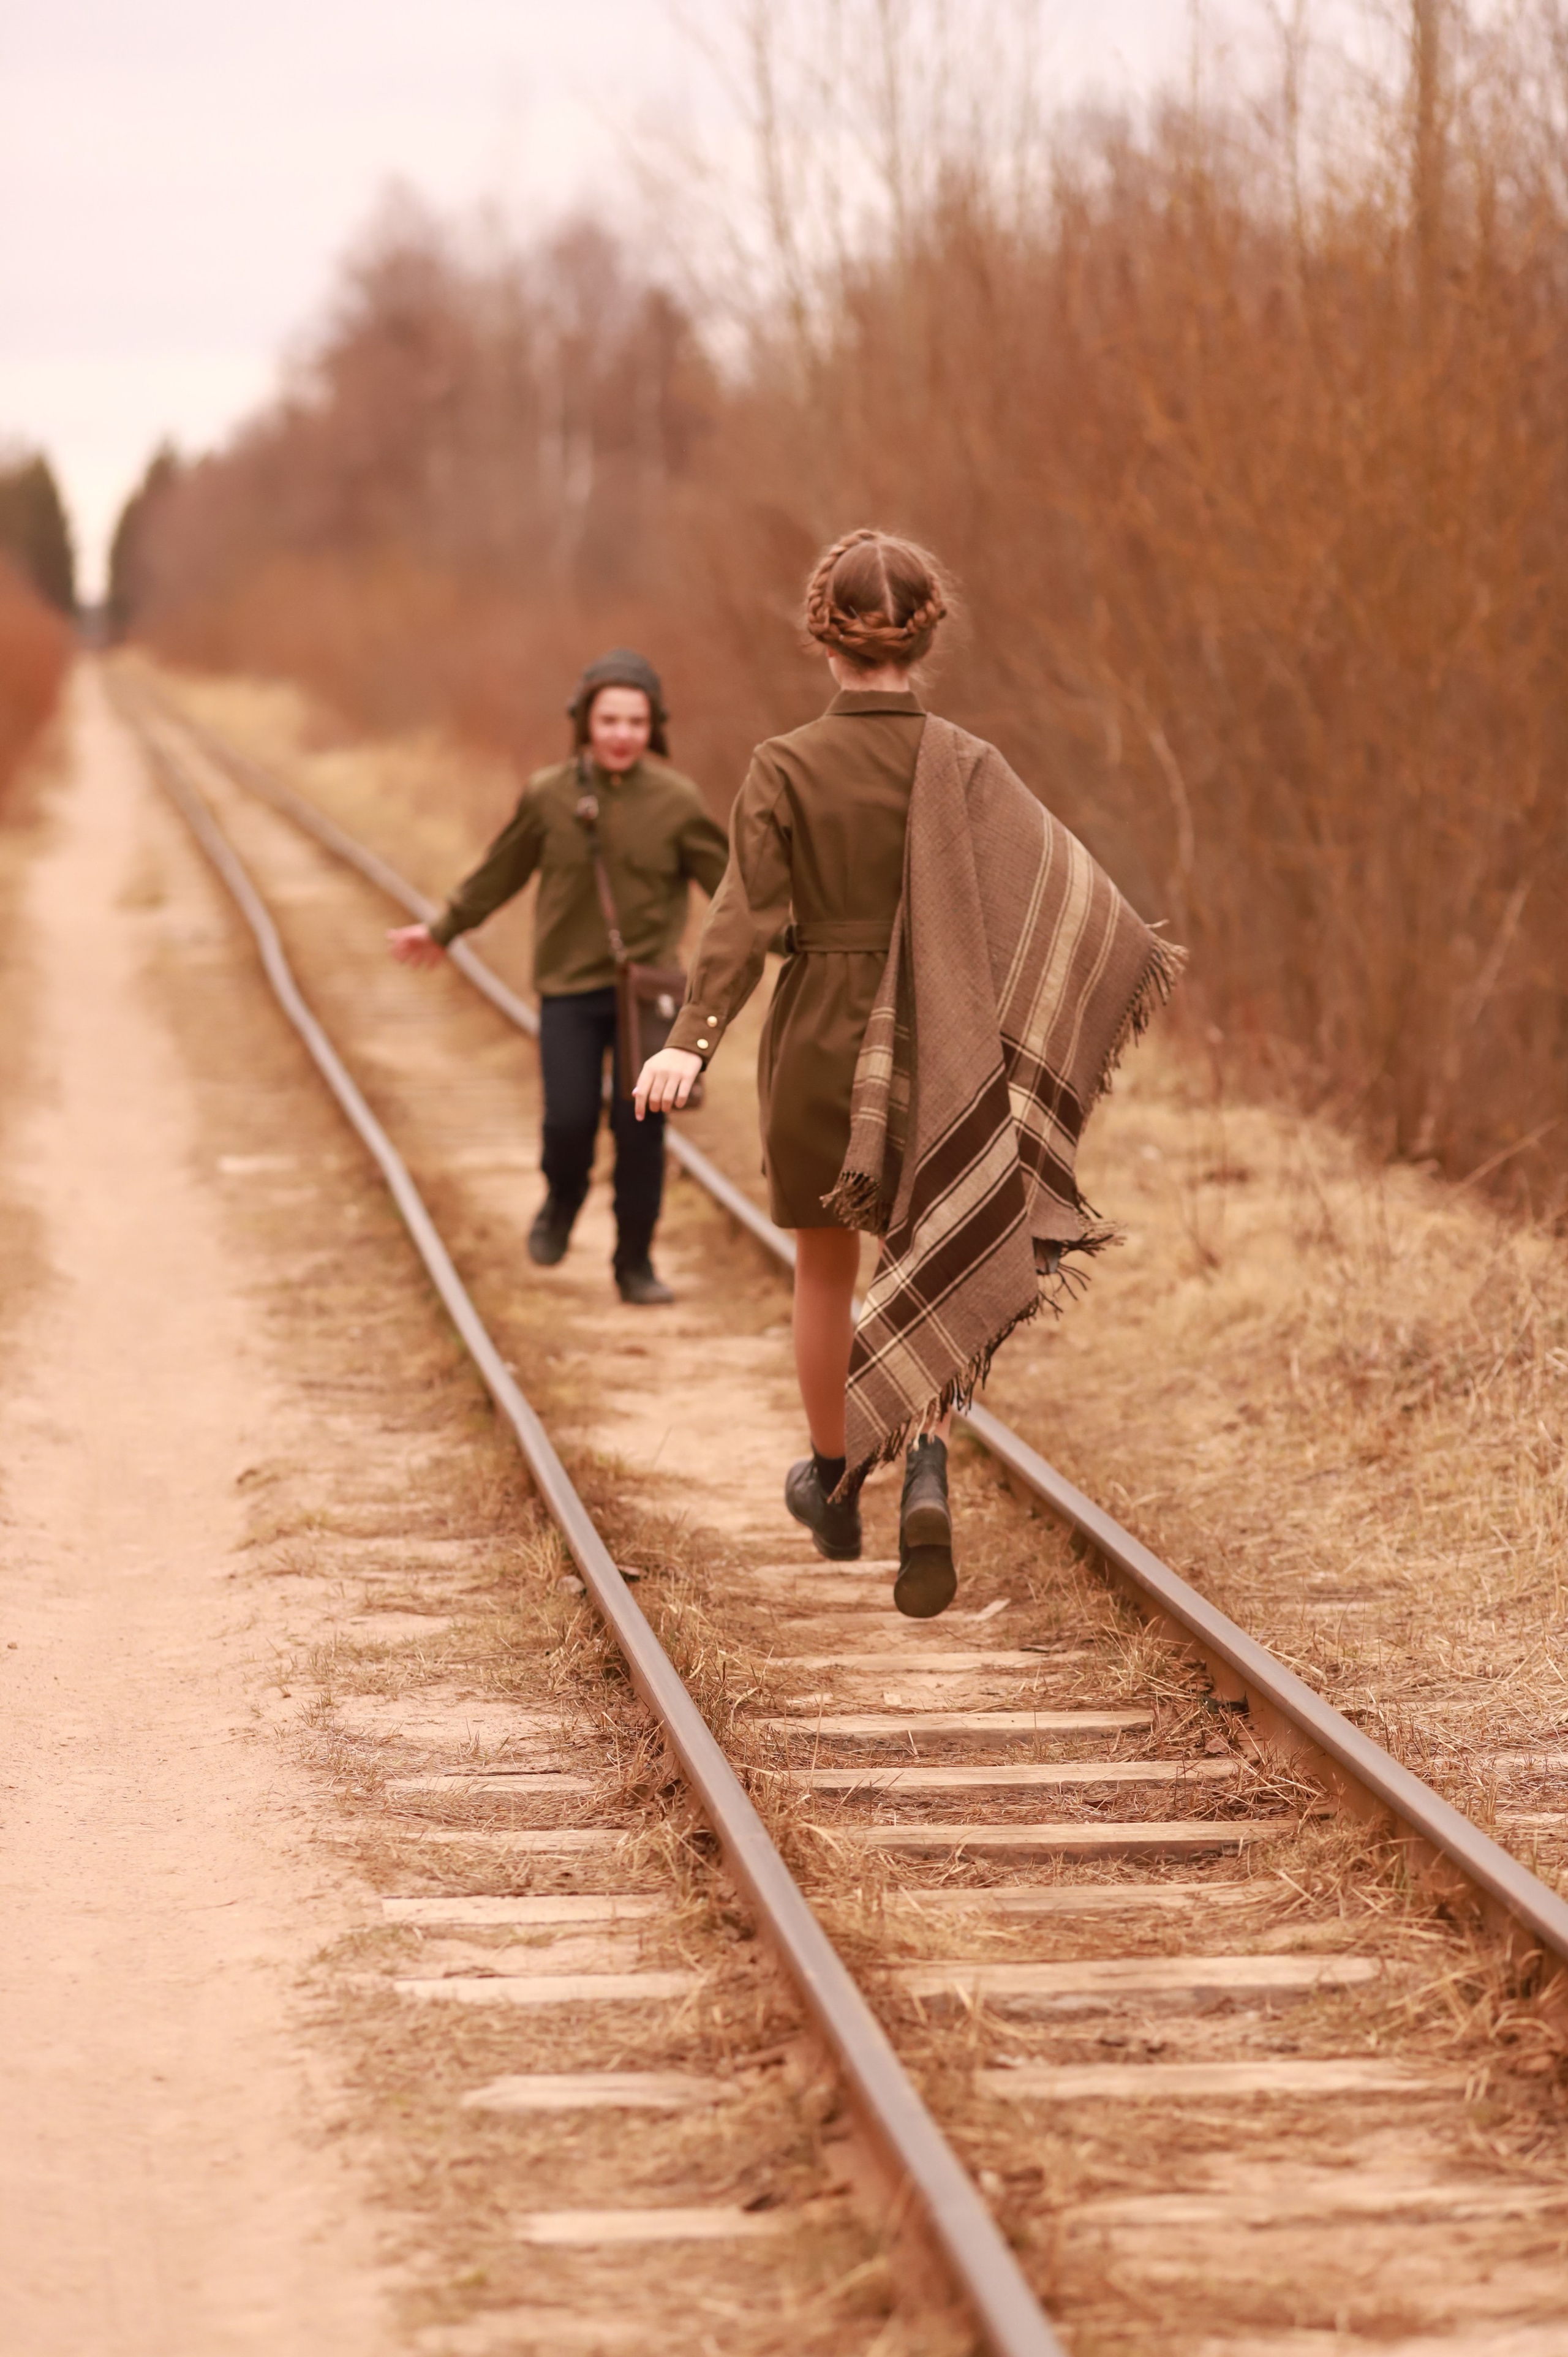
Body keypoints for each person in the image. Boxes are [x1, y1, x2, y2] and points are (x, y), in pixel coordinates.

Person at [635, 530, 1183, 1616]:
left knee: (824, 1269)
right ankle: (925, 1462)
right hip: (941, 1034)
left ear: (823, 636)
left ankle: (835, 1483)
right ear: (926, 636)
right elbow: (1070, 900)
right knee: (929, 1241)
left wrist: (686, 1040)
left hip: (818, 1042)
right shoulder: (970, 765)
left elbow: (741, 920)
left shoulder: (784, 764)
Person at [390, 649, 729, 1304]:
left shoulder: (678, 801)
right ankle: (563, 1198)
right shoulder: (550, 794)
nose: (622, 734)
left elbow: (732, 890)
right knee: (569, 1119)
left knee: (641, 1132)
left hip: (647, 998)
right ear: (584, 723)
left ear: (655, 727)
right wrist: (443, 928)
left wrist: (800, 938)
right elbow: (502, 870)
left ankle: (635, 1263)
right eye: (609, 720)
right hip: (569, 990)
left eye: (636, 722)